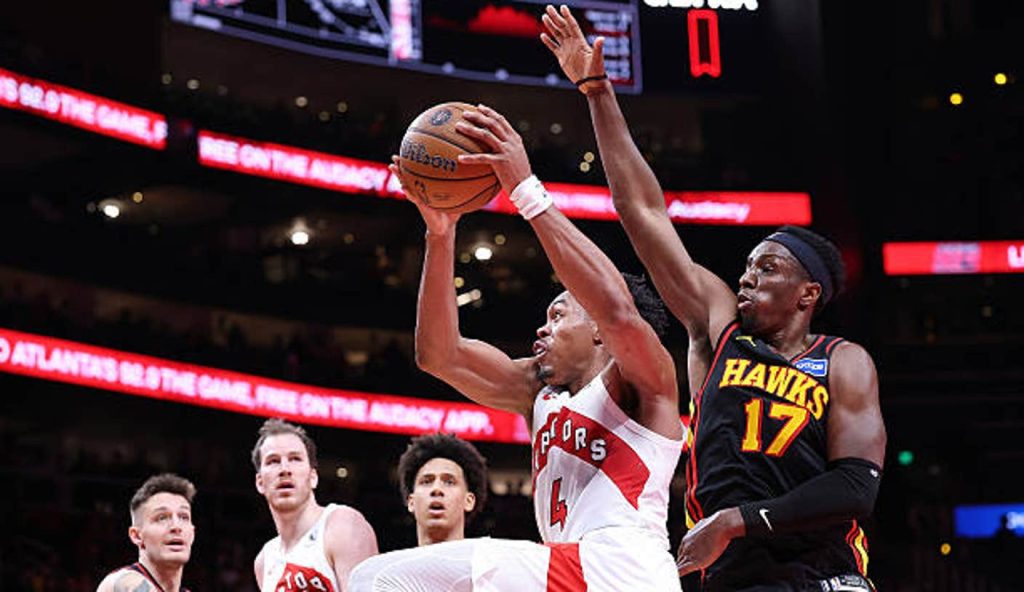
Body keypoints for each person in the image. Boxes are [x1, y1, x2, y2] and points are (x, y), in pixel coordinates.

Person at [540, 5, 887, 590]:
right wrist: (597, 92)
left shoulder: (841, 360)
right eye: (747, 265)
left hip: (824, 571)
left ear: (808, 293)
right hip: (728, 574)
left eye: (768, 267)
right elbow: (641, 211)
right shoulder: (719, 330)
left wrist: (737, 520)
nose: (747, 276)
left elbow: (857, 487)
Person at [349, 103, 684, 590]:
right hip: (569, 572)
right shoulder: (538, 392)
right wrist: (440, 235)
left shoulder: (643, 382)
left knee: (377, 579)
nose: (541, 330)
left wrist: (526, 190)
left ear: (597, 332)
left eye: (558, 314)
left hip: (621, 569)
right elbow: (438, 355)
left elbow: (616, 309)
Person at [252, 418, 378, 591]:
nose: (284, 469)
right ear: (260, 482)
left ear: (313, 477)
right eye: (273, 461)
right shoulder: (264, 560)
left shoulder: (342, 524)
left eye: (295, 458)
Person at [96, 473, 197, 592]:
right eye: (162, 518)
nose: (176, 526)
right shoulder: (122, 581)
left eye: (183, 517)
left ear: (192, 534)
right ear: (137, 536)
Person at [398, 432, 489, 546]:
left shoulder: (487, 563)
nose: (436, 489)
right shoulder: (389, 563)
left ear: (469, 501)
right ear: (411, 501)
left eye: (449, 482)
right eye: (426, 482)